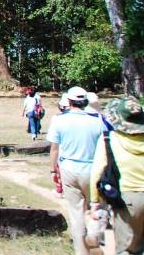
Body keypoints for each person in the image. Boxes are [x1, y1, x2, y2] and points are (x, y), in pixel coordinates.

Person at [89, 96, 144, 255]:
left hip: (127, 201)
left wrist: (95, 202)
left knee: (128, 249)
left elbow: (97, 172)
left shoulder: (109, 139)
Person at [49, 86, 106, 255]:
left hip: (69, 169)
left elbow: (54, 149)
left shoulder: (59, 120)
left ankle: (82, 251)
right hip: (94, 170)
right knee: (96, 208)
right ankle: (98, 244)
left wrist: (53, 170)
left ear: (69, 102)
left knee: (76, 213)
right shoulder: (97, 121)